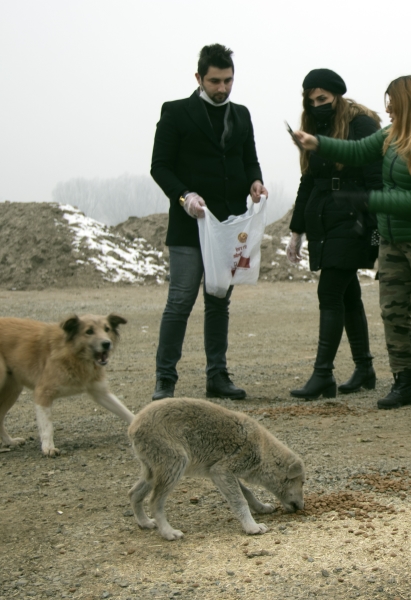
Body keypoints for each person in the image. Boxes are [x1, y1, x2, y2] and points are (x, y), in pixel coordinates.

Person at [291, 75, 411, 413]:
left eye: (393, 103)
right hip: (393, 240)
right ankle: (404, 383)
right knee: (393, 313)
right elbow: (356, 149)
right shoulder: (394, 134)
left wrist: (368, 199)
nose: (387, 109)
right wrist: (316, 143)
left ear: (409, 103)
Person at [149, 44, 267, 401]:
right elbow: (160, 167)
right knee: (180, 301)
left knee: (218, 301)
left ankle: (218, 377)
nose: (222, 88)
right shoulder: (176, 112)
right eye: (215, 81)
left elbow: (250, 159)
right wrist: (185, 197)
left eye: (228, 80)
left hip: (228, 229)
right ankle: (165, 381)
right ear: (199, 77)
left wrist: (256, 181)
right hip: (189, 226)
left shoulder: (242, 114)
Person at [286, 69, 383, 399]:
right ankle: (365, 367)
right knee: (347, 293)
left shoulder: (361, 125)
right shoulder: (314, 127)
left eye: (323, 99)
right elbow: (308, 179)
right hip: (323, 217)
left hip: (354, 216)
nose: (317, 105)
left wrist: (377, 230)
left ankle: (323, 374)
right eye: (311, 100)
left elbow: (376, 178)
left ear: (337, 96)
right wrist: (296, 231)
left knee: (330, 290)